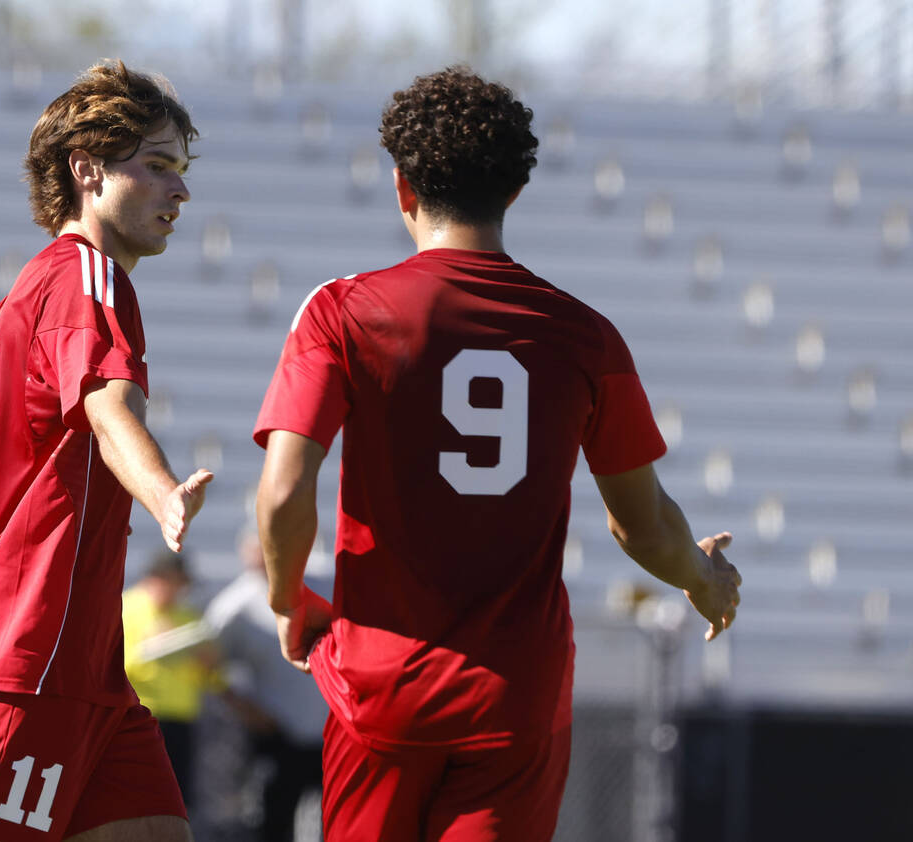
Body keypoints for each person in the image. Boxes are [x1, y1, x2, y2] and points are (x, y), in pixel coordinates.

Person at [252, 67, 742, 842]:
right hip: (514, 696)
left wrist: (286, 599)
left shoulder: (342, 312)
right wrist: (705, 579)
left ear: (403, 186)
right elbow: (641, 529)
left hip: (380, 686)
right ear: (514, 192)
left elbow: (283, 495)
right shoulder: (584, 335)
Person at [0, 60, 213, 842]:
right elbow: (108, 408)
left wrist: (26, 500)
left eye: (182, 171)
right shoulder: (89, 279)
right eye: (158, 166)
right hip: (31, 657)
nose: (181, 191)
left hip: (86, 667)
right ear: (87, 169)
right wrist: (159, 489)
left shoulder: (23, 300)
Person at [203, 526, 328, 842]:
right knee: (272, 823)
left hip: (330, 732)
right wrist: (245, 710)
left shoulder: (322, 584)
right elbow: (207, 669)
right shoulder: (234, 606)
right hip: (278, 734)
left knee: (336, 822)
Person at [121, 551, 220, 807]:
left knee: (174, 799)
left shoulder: (190, 616)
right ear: (156, 579)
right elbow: (113, 665)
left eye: (182, 585)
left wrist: (207, 664)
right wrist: (150, 648)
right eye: (174, 583)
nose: (178, 591)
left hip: (180, 719)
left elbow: (209, 676)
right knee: (133, 795)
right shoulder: (124, 608)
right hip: (136, 715)